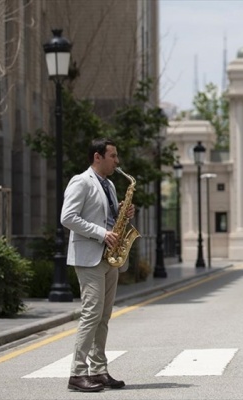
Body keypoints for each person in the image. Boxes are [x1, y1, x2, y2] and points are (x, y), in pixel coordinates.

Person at [61, 138, 135, 392]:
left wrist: (122, 215)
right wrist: (101, 233)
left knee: (103, 317)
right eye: (113, 156)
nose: (117, 161)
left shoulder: (110, 185)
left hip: (109, 257)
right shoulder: (81, 182)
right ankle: (77, 373)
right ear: (97, 157)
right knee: (91, 314)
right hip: (90, 256)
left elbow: (107, 216)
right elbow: (67, 217)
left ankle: (99, 370)